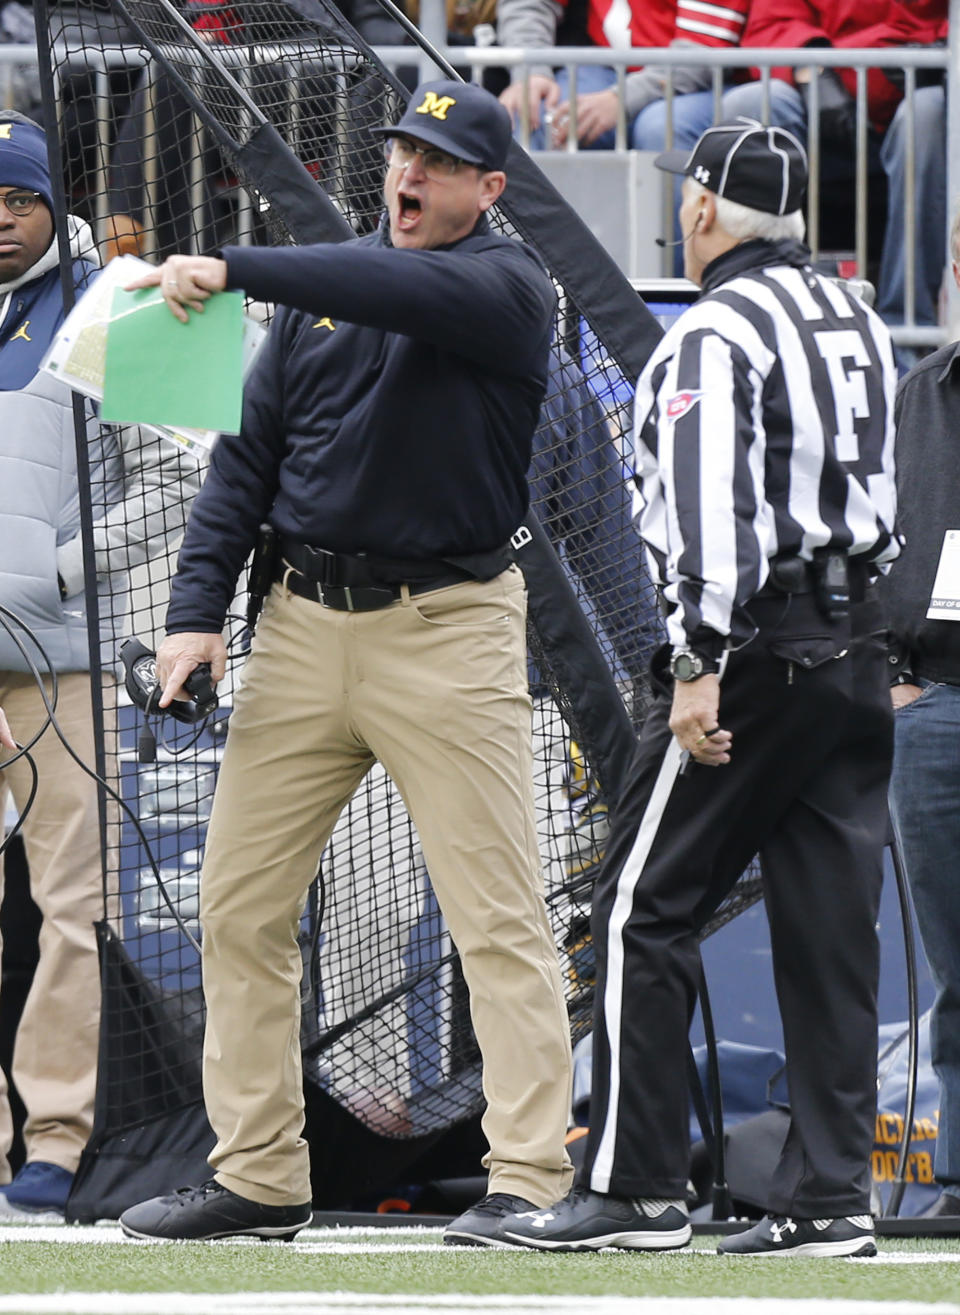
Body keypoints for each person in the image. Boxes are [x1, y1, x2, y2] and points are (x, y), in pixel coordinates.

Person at [116, 78, 574, 1247]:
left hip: (450, 626)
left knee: (497, 913)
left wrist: (239, 263)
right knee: (238, 907)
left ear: (490, 187)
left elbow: (398, 287)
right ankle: (261, 1174)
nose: (407, 176)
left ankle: (531, 1176)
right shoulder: (317, 298)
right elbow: (243, 463)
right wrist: (193, 613)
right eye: (398, 155)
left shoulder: (509, 287)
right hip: (304, 626)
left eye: (436, 160)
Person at [498, 119, 900, 1256]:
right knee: (832, 931)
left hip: (755, 651)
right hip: (856, 642)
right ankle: (831, 1197)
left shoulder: (712, 333)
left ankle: (634, 1185)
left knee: (642, 907)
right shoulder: (856, 314)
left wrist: (696, 664)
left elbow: (713, 515)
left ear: (707, 209)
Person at [0, 111, 198, 1219]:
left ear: (50, 202)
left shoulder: (120, 301)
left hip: (59, 661)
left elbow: (177, 475)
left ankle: (58, 1135)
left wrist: (62, 573)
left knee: (68, 906)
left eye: (17, 201)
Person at [884, 201, 960, 1221]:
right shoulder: (920, 396)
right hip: (934, 704)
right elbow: (878, 542)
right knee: (956, 959)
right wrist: (893, 680)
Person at [720, 0, 949, 334]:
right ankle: (765, 313)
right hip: (821, 92)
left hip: (918, 98)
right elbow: (774, 17)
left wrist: (940, 53)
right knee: (751, 103)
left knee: (927, 115)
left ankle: (907, 330)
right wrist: (812, 69)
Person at [496, 0, 749, 150]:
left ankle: (672, 241)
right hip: (608, 67)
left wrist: (621, 100)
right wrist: (532, 69)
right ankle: (531, 241)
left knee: (662, 128)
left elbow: (701, 51)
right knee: (537, 112)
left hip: (704, 84)